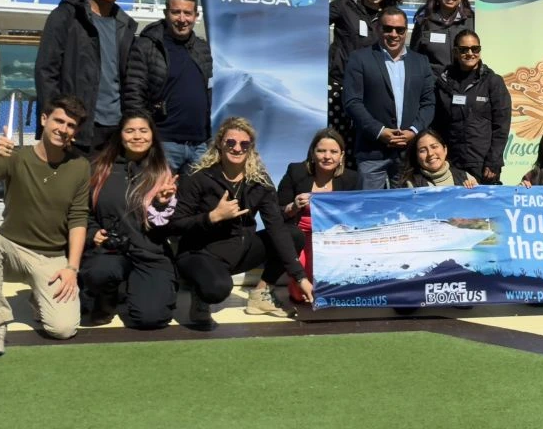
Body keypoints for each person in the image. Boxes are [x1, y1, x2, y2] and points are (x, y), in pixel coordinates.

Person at [0, 95, 91, 357]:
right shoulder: (15, 157)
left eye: (71, 125)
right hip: (12, 250)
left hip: (51, 258)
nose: (63, 129)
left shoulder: (80, 166)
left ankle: (38, 295)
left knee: (63, 329)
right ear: (44, 119)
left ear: (76, 131)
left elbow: (78, 218)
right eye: (59, 121)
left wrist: (72, 268)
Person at [170, 118, 311, 326]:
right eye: (231, 142)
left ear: (250, 148)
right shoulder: (198, 177)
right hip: (200, 253)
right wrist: (212, 217)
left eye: (244, 144)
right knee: (217, 289)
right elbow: (176, 224)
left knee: (293, 234)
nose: (237, 148)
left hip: (239, 250)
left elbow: (277, 228)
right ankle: (200, 293)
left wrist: (300, 277)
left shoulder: (259, 181)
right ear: (220, 144)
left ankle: (261, 293)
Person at [80, 111, 179, 329]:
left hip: (149, 253)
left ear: (152, 135)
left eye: (143, 130)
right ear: (120, 135)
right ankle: (106, 298)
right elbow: (82, 211)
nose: (137, 136)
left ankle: (140, 289)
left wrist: (162, 205)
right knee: (99, 273)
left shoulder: (164, 174)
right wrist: (92, 232)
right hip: (110, 251)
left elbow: (171, 227)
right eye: (130, 131)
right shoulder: (98, 169)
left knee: (151, 318)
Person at [35, 0, 136, 154]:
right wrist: (58, 119)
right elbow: (46, 70)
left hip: (115, 126)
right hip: (77, 123)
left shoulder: (126, 25)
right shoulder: (67, 15)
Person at [343, 6, 435, 189]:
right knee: (369, 205)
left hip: (408, 153)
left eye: (399, 30)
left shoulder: (421, 62)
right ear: (378, 28)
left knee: (406, 206)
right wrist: (379, 131)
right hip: (372, 151)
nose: (394, 34)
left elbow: (429, 103)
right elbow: (352, 102)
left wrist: (413, 131)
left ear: (406, 31)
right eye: (388, 28)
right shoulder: (359, 59)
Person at [123, 0, 212, 174]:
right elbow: (133, 92)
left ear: (196, 16)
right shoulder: (147, 45)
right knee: (157, 192)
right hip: (164, 142)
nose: (182, 19)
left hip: (200, 145)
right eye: (176, 12)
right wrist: (142, 134)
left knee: (199, 194)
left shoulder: (202, 48)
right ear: (166, 13)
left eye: (187, 13)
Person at [277, 128, 360, 304]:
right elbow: (277, 212)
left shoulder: (352, 178)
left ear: (341, 156)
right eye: (321, 151)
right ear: (312, 154)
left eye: (333, 152)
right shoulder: (296, 172)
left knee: (330, 291)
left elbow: (358, 217)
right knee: (300, 295)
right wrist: (293, 207)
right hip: (300, 237)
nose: (327, 156)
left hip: (335, 239)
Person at [328, 0, 405, 144]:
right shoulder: (344, 5)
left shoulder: (389, 17)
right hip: (338, 84)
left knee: (363, 139)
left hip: (370, 89)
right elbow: (312, 23)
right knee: (335, 138)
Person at [433, 30, 511, 184]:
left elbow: (501, 126)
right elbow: (437, 125)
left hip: (483, 164)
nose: (470, 53)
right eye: (464, 49)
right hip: (452, 163)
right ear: (455, 52)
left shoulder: (493, 81)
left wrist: (493, 160)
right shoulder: (443, 83)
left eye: (475, 49)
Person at [409, 0, 474, 76]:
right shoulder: (423, 21)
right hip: (432, 82)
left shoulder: (471, 21)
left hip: (463, 81)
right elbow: (414, 56)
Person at [396, 130, 478, 187]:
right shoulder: (411, 185)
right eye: (423, 150)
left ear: (445, 149)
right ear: (416, 157)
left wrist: (473, 192)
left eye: (434, 147)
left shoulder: (465, 178)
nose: (430, 154)